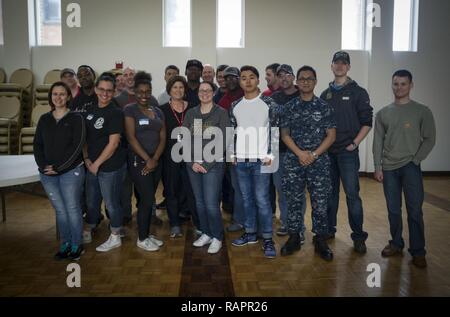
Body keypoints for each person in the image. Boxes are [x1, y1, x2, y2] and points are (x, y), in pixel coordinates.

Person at [373, 69, 436, 268]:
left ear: (411, 85)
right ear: (391, 85)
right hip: (389, 168)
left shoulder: (422, 111)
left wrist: (416, 160)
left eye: (403, 84)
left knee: (415, 211)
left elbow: (429, 138)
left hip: (411, 167)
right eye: (395, 84)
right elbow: (377, 142)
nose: (399, 88)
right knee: (393, 210)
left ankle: (418, 251)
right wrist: (377, 166)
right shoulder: (383, 113)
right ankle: (396, 243)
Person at [280, 66, 336, 261]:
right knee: (293, 201)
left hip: (318, 162)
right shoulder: (289, 107)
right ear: (297, 81)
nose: (305, 81)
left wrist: (313, 154)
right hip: (294, 161)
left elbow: (331, 136)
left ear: (315, 81)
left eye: (309, 78)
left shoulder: (324, 107)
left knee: (320, 203)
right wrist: (300, 153)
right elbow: (284, 134)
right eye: (302, 78)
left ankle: (320, 240)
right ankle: (294, 237)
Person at [321, 51, 373, 254]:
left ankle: (359, 237)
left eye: (344, 63)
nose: (340, 66)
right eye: (337, 63)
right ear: (331, 65)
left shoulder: (358, 92)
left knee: (352, 195)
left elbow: (367, 122)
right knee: (330, 194)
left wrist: (354, 143)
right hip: (328, 153)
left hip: (347, 153)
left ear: (348, 67)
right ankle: (329, 230)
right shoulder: (325, 94)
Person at [229, 65, 278, 259]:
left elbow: (276, 130)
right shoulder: (235, 105)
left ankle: (267, 238)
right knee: (246, 199)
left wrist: (271, 155)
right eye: (243, 78)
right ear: (240, 82)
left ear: (258, 80)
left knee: (262, 200)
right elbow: (232, 131)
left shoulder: (269, 103)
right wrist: (231, 154)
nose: (247, 81)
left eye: (251, 77)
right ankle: (249, 233)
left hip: (261, 161)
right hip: (241, 160)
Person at [33, 81, 85, 260]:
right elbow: (37, 145)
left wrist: (59, 168)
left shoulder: (76, 118)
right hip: (48, 174)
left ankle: (77, 244)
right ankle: (65, 243)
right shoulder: (44, 119)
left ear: (68, 97)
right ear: (51, 97)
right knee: (60, 210)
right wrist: (43, 166)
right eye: (55, 94)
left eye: (62, 94)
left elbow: (77, 146)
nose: (58, 97)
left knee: (72, 208)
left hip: (71, 172)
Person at [183, 81, 230, 254]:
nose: (204, 93)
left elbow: (224, 141)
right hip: (193, 165)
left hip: (214, 165)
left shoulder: (221, 113)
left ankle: (217, 236)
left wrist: (206, 164)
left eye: (208, 90)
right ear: (198, 93)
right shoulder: (191, 113)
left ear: (213, 92)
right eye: (201, 90)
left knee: (211, 203)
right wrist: (192, 162)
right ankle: (206, 233)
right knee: (200, 202)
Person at [82, 73, 127, 252]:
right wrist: (86, 159)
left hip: (110, 166)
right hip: (92, 165)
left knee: (111, 203)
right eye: (102, 89)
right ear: (96, 89)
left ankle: (116, 235)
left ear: (114, 92)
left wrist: (96, 164)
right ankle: (91, 225)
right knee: (92, 201)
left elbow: (114, 143)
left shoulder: (115, 113)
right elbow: (84, 139)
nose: (105, 94)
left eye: (109, 91)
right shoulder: (89, 110)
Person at [124, 71, 166, 252]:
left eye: (147, 91)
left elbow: (163, 136)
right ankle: (141, 238)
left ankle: (147, 233)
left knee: (150, 200)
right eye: (140, 91)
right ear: (134, 92)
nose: (144, 95)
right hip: (139, 161)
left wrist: (155, 158)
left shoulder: (157, 111)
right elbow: (131, 138)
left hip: (156, 161)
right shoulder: (130, 110)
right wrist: (147, 159)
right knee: (147, 200)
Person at [160, 76, 199, 237]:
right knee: (171, 190)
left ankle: (198, 223)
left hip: (190, 156)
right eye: (175, 87)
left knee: (193, 190)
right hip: (170, 157)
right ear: (169, 90)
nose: (178, 90)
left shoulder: (194, 108)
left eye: (181, 87)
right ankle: (174, 223)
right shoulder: (162, 110)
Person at [271, 64, 306, 241]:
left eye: (287, 75)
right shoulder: (273, 98)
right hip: (277, 151)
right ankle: (286, 222)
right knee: (281, 189)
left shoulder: (303, 94)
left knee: (298, 190)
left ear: (293, 77)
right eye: (280, 75)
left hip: (298, 152)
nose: (284, 78)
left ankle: (299, 226)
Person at [217, 66, 245, 232]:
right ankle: (239, 218)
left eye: (234, 77)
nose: (230, 80)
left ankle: (249, 219)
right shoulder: (222, 101)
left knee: (250, 188)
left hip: (251, 149)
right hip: (231, 151)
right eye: (227, 78)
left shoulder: (247, 96)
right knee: (237, 187)